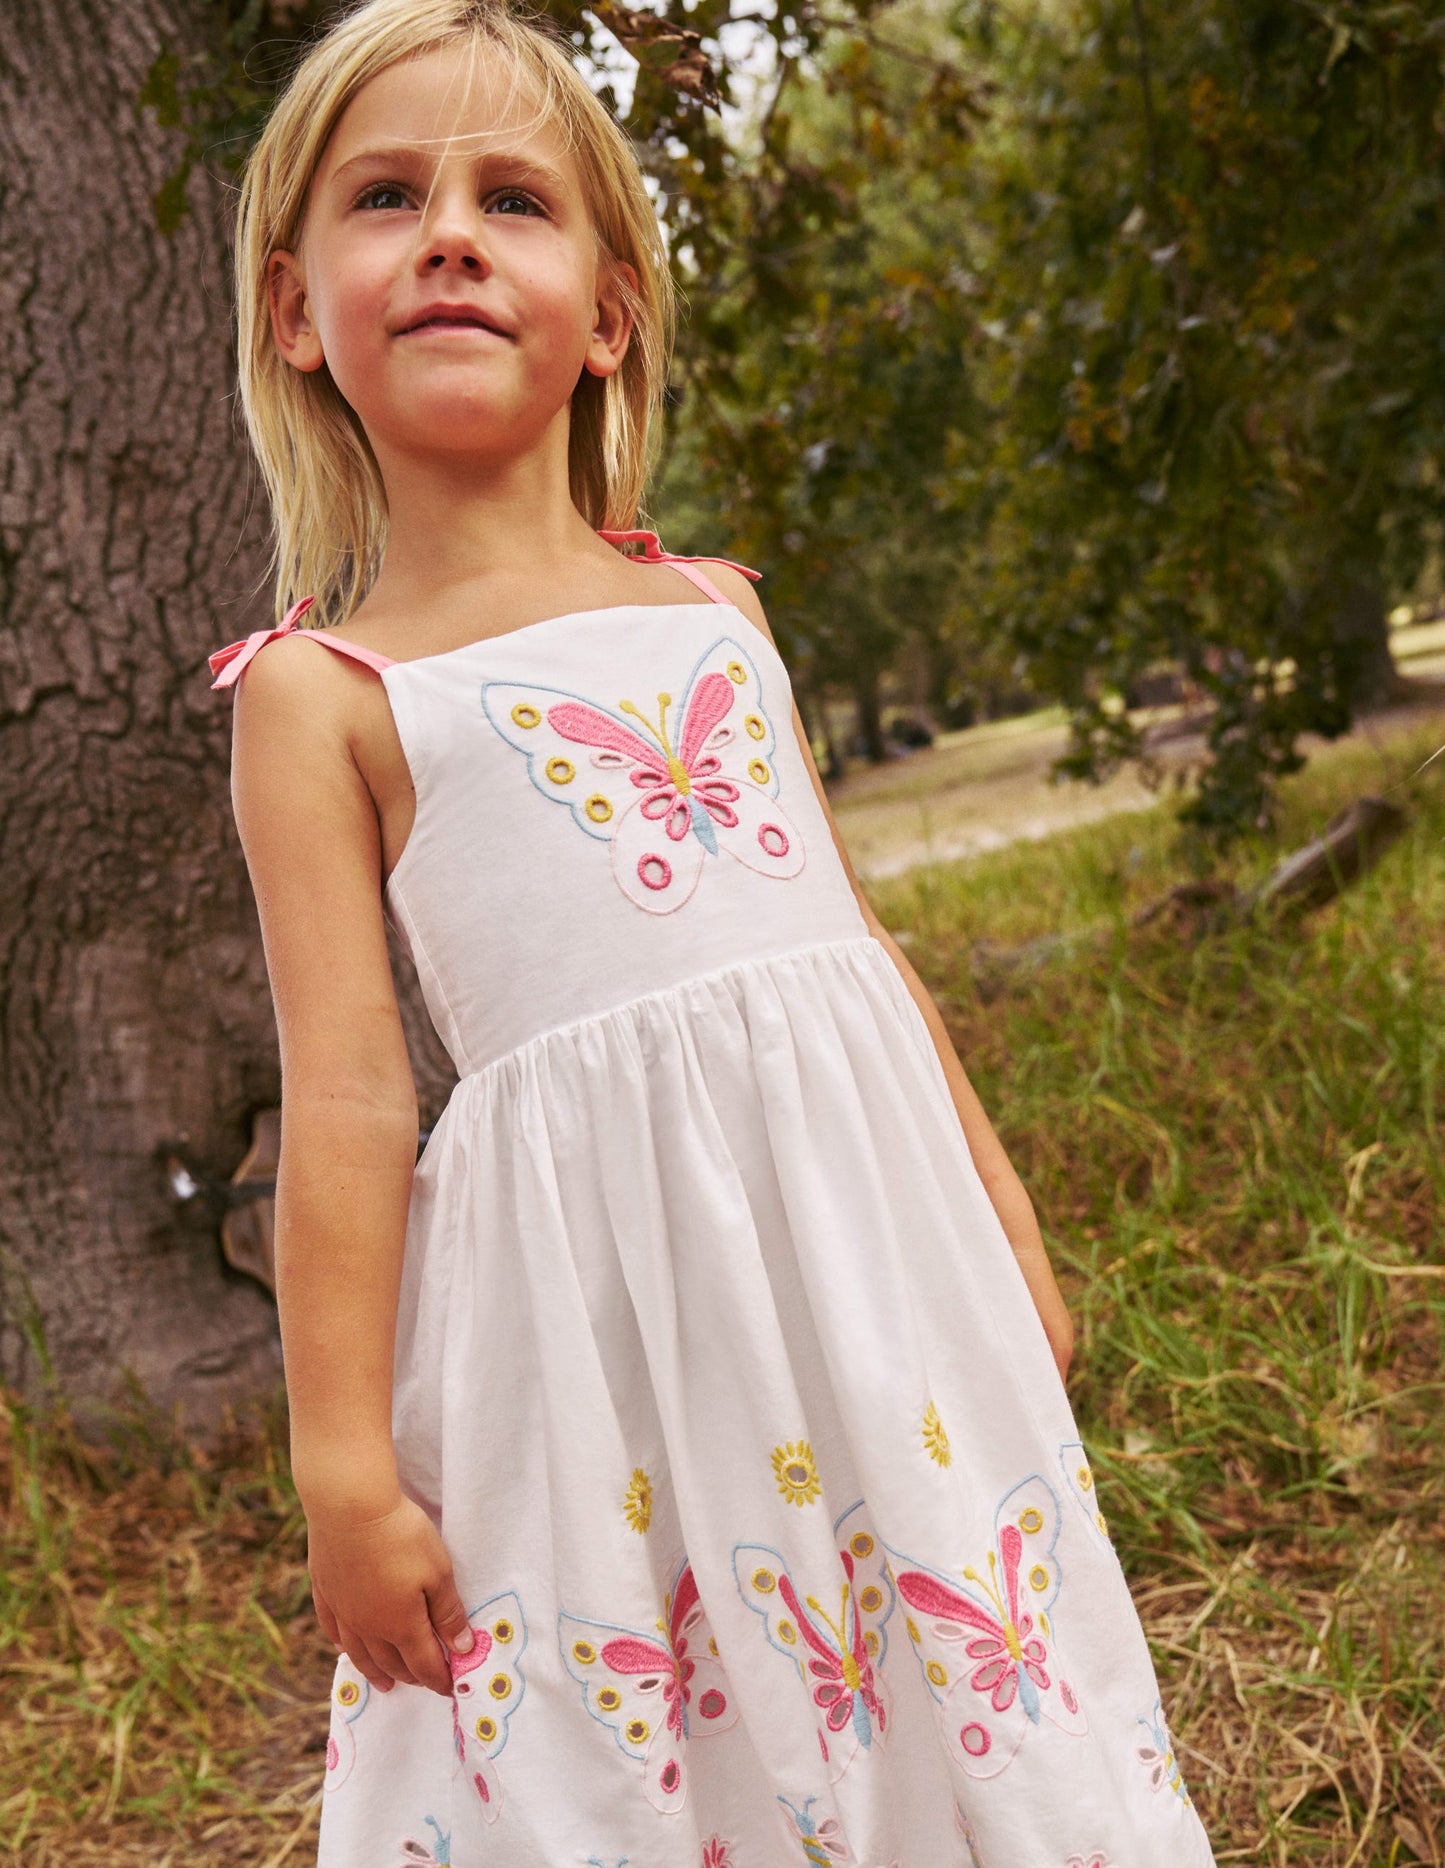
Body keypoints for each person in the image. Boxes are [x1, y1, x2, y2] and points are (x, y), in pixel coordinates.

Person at [208, 2, 1218, 1863]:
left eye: (511, 197)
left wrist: (997, 1218)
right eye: (383, 196)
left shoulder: (710, 608)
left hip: (859, 1262)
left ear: (604, 312)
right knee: (654, 1693)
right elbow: (348, 1098)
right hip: (584, 1328)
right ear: (295, 312)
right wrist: (341, 1461)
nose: (447, 233)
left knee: (930, 1628)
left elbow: (853, 952)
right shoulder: (322, 694)